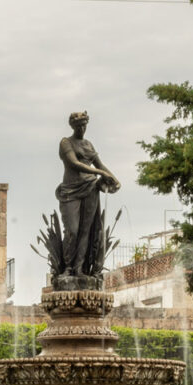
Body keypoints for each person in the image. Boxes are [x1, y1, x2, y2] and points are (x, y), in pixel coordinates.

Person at [56, 111, 119, 276]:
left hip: (91, 187)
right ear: (72, 126)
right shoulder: (66, 142)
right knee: (72, 230)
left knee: (86, 230)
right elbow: (74, 163)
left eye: (84, 125)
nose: (82, 128)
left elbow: (101, 164)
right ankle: (68, 267)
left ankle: (79, 268)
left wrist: (114, 178)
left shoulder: (88, 145)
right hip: (70, 190)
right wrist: (100, 172)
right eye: (78, 126)